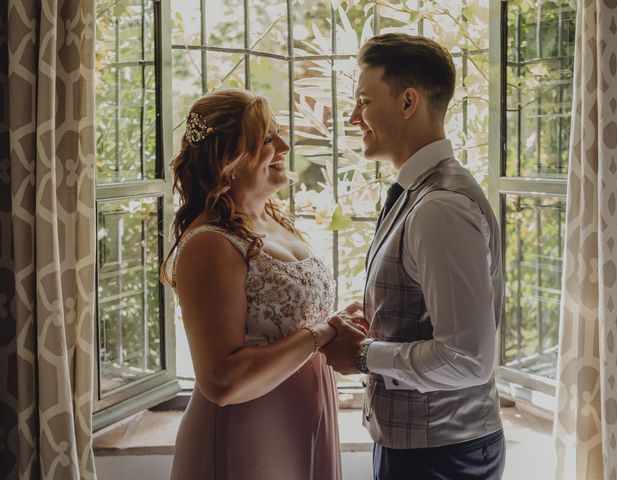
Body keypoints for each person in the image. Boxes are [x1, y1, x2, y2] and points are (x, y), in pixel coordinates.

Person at [322, 33, 506, 479]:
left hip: (442, 457)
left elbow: (466, 359)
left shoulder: (440, 205)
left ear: (408, 102)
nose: (352, 118)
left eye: (363, 101)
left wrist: (365, 354)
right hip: (422, 451)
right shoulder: (418, 194)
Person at [162, 89, 344, 480]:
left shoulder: (275, 221)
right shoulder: (211, 243)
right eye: (267, 139)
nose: (285, 145)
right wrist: (324, 332)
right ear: (229, 159)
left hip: (303, 421)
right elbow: (222, 382)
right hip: (247, 434)